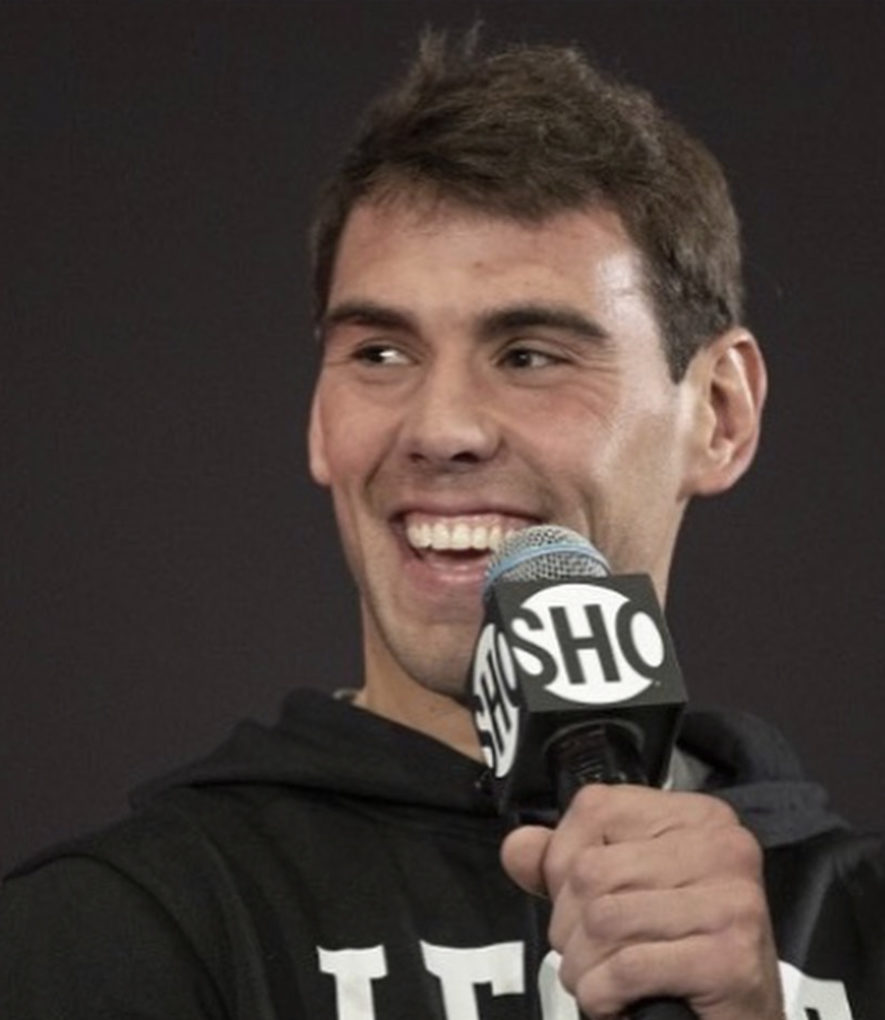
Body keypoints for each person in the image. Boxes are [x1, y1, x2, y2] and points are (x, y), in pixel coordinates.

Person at [1, 28, 882, 1020]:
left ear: (719, 413)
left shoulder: (861, 926)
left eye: (531, 354)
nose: (441, 430)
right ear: (319, 418)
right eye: (380, 354)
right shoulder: (115, 935)